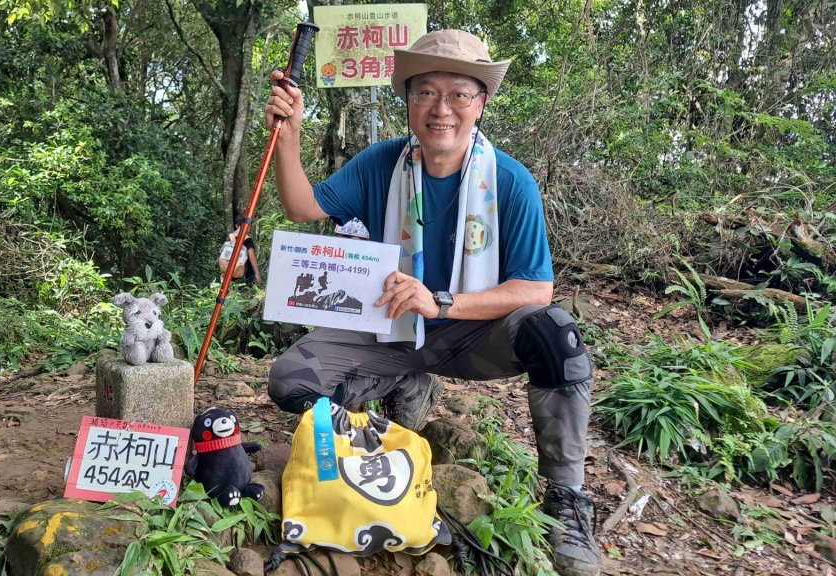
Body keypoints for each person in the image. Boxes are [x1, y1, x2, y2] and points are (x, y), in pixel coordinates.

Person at [264, 30, 600, 576]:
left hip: (471, 333)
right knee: (291, 380)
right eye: (425, 93)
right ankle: (401, 390)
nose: (441, 109)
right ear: (408, 100)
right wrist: (290, 135)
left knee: (553, 333)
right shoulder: (381, 164)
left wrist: (441, 302)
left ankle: (567, 499)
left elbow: (536, 290)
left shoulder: (511, 183)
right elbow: (303, 207)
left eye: (458, 94)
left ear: (481, 103)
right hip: (388, 325)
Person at [221, 213, 262, 286]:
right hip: (244, 274)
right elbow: (252, 257)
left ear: (236, 225)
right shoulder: (247, 239)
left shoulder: (230, 237)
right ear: (248, 226)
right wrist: (257, 274)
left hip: (229, 273)